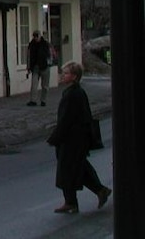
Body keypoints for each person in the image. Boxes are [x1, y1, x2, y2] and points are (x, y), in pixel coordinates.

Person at [46, 61, 111, 214]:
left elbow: (67, 119)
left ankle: (72, 201)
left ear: (74, 77)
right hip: (75, 138)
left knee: (68, 169)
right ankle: (98, 191)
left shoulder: (73, 94)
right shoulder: (73, 92)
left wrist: (55, 137)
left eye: (66, 73)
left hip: (73, 139)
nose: (63, 75)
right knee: (78, 168)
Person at [26, 31, 52, 106]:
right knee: (34, 85)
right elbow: (28, 56)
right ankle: (33, 100)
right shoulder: (31, 45)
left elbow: (50, 54)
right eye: (34, 36)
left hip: (45, 67)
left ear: (40, 36)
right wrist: (28, 67)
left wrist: (49, 64)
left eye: (37, 36)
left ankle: (43, 100)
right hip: (35, 67)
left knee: (45, 86)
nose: (35, 38)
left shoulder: (46, 44)